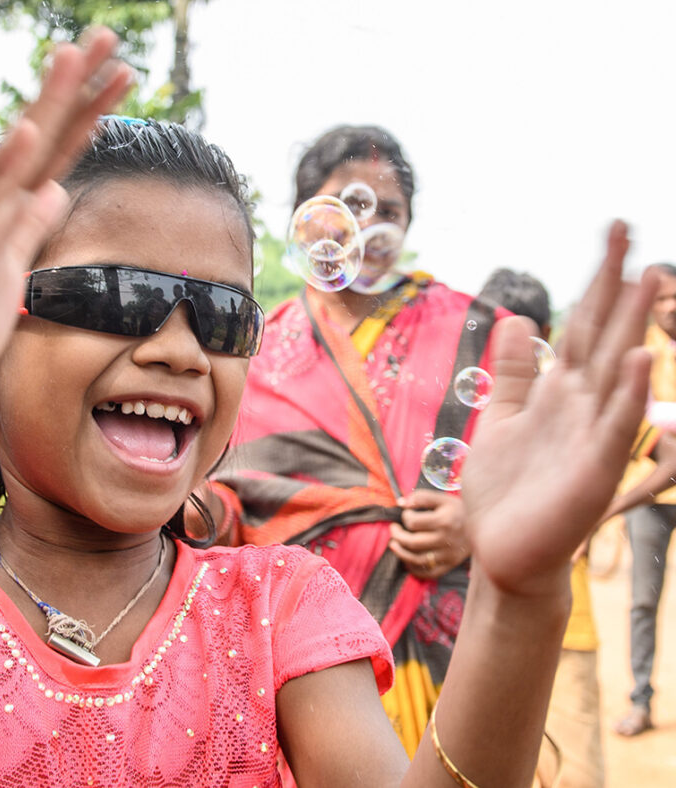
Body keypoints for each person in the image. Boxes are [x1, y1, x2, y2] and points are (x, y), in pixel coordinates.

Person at [0, 28, 656, 786]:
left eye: (222, 314)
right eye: (116, 298)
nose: (176, 348)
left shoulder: (281, 608)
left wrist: (521, 599)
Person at [201, 125, 507, 754]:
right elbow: (231, 498)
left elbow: (538, 471)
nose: (364, 227)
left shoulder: (474, 331)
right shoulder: (255, 355)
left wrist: (477, 521)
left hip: (453, 646)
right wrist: (194, 514)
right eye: (348, 205)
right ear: (304, 219)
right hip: (306, 660)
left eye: (387, 211)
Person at [477, 268, 603, 788]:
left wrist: (603, 513)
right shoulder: (460, 413)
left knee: (574, 767)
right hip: (480, 627)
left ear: (546, 339)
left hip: (564, 630)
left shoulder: (573, 412)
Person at [609, 261, 676, 737]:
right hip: (647, 495)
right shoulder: (635, 356)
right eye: (662, 299)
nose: (671, 306)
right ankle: (641, 701)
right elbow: (627, 420)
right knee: (643, 601)